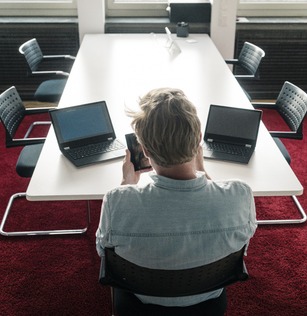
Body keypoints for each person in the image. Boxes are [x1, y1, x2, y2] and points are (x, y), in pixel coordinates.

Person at [96, 88, 257, 314]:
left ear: (145, 151)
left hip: (141, 300)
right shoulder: (240, 195)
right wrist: (202, 171)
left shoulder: (116, 201)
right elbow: (242, 244)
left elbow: (104, 252)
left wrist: (127, 183)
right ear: (198, 140)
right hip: (209, 297)